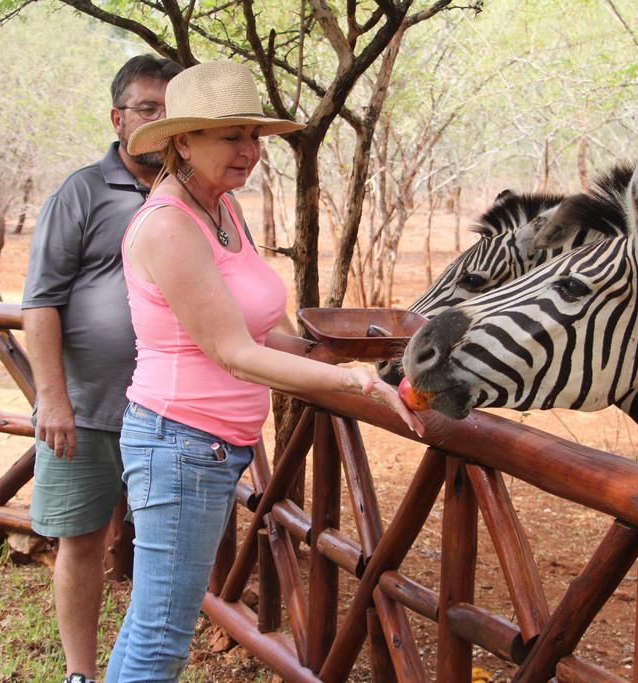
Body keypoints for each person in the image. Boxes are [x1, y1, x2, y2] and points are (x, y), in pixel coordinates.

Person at [104, 61, 425, 682]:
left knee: (155, 622)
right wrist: (349, 382)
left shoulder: (223, 211)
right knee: (162, 634)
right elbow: (231, 352)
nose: (250, 151)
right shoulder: (170, 226)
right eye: (230, 136)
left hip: (210, 446)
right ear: (181, 143)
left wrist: (332, 355)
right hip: (180, 443)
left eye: (253, 135)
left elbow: (262, 332)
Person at [21, 54, 182, 683]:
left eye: (170, 113)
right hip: (87, 409)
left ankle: (141, 670)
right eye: (146, 109)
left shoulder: (192, 198)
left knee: (159, 553)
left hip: (170, 412)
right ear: (119, 118)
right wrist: (53, 399)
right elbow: (40, 302)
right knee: (83, 541)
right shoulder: (81, 192)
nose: (157, 123)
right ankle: (82, 674)